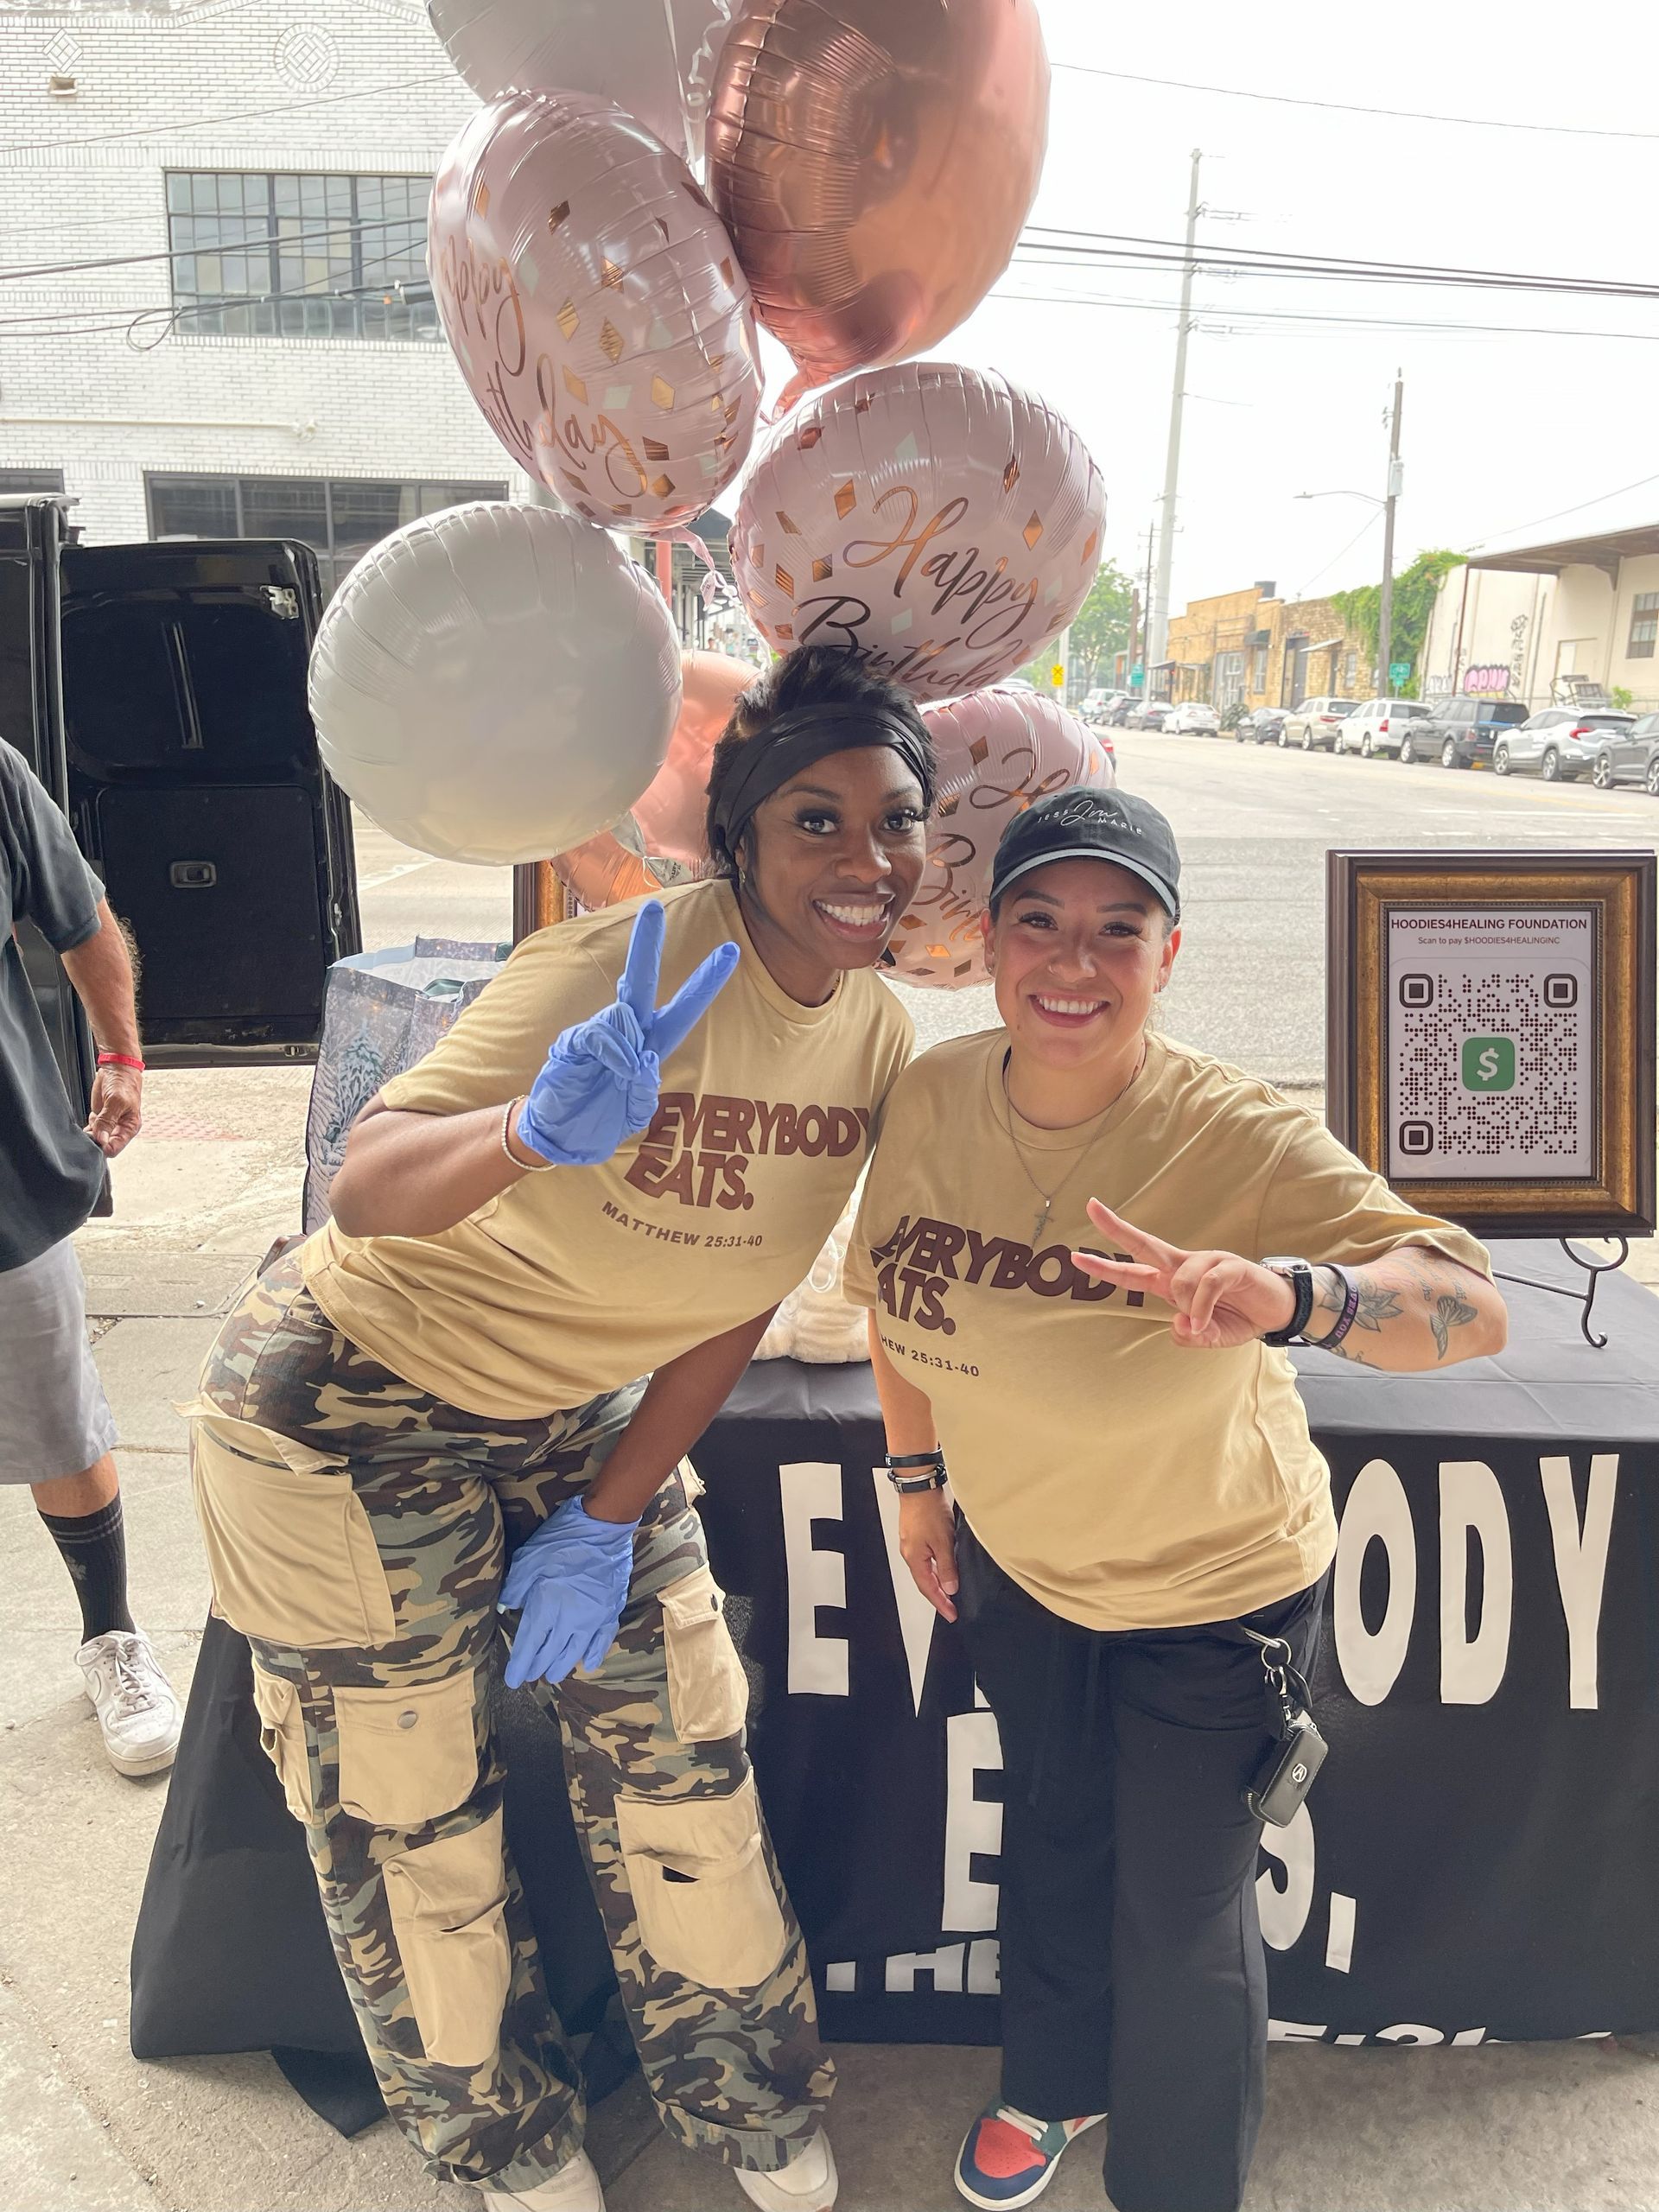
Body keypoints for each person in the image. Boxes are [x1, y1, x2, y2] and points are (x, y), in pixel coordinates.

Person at [182, 645, 935, 2212]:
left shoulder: (872, 1034)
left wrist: (608, 1517)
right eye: (817, 820)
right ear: (737, 833)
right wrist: (528, 1132)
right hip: (348, 1399)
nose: (866, 861)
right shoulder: (622, 965)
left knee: (689, 1752)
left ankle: (746, 2093)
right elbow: (367, 1185)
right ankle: (503, 2142)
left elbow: (739, 1292)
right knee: (411, 1808)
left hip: (569, 1414)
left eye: (897, 819)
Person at [845, 787, 1509, 2212]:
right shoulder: (934, 1097)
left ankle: (1177, 2182)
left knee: (1183, 1908)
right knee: (1056, 1836)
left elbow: (1468, 1305)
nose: (1073, 965)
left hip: (1217, 1590)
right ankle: (1052, 2080)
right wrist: (918, 1487)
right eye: (1040, 922)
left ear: (1171, 954)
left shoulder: (1239, 1135)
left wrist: (1296, 1296)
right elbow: (898, 1311)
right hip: (1022, 1562)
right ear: (992, 940)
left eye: (1117, 930)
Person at [0, 737, 182, 1777]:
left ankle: (110, 1635)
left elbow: (82, 917)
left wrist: (120, 1050)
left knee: (59, 1416)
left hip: (3, 1178)